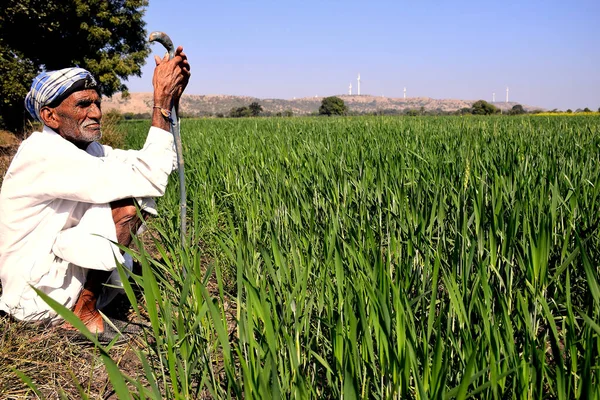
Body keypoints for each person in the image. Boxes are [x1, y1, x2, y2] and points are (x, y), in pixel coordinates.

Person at [0, 46, 191, 340]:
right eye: (83, 105)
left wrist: (171, 100)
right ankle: (83, 316)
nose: (96, 113)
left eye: (97, 103)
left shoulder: (88, 149)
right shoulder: (44, 154)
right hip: (35, 297)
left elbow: (158, 164)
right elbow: (147, 178)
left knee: (131, 190)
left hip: (57, 279)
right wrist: (160, 103)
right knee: (129, 203)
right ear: (49, 116)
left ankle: (85, 304)